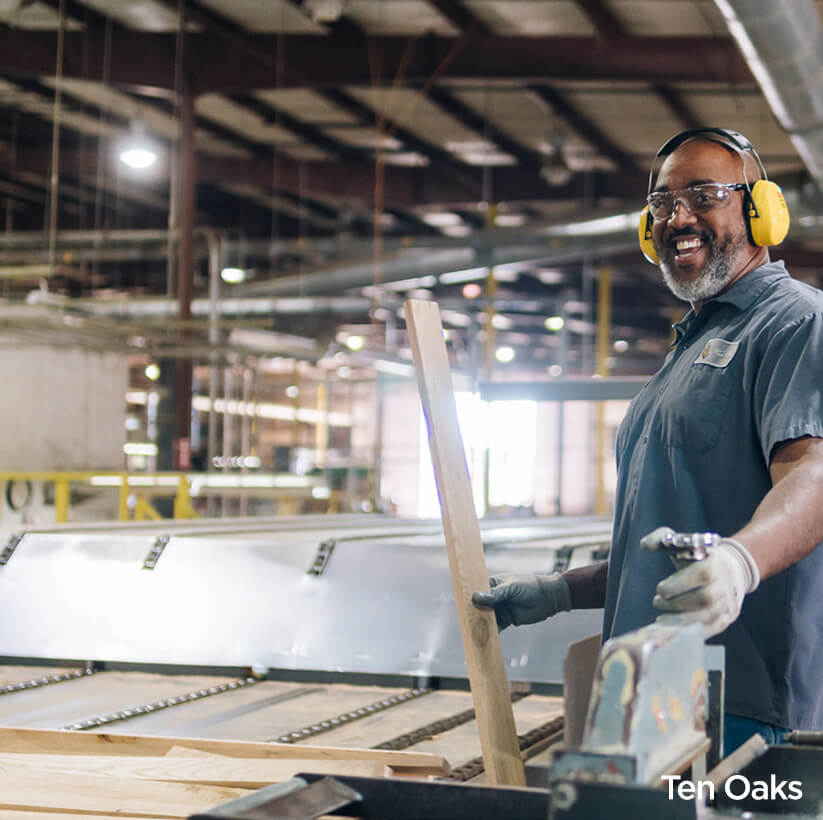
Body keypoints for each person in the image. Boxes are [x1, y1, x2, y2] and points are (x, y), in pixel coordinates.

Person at [473, 128, 823, 754]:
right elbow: (677, 545)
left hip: (741, 708)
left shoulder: (796, 322)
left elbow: (813, 477)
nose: (677, 216)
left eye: (704, 194)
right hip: (650, 693)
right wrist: (563, 591)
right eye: (661, 203)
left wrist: (741, 564)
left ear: (759, 211)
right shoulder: (687, 350)